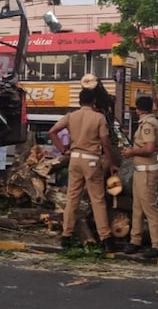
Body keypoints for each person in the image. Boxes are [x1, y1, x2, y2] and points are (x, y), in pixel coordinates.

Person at [49, 88, 119, 252]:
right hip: (91, 160)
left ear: (79, 101)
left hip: (74, 159)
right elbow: (105, 142)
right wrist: (111, 160)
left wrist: (63, 150)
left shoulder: (71, 116)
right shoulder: (98, 117)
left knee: (72, 198)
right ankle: (105, 238)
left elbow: (52, 131)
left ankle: (66, 236)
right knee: (97, 200)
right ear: (94, 101)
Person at [121, 96, 158, 259]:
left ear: (138, 109)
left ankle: (157, 244)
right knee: (137, 208)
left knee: (150, 209)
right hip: (140, 170)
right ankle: (135, 240)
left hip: (147, 171)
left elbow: (149, 148)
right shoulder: (150, 123)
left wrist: (131, 152)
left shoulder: (148, 125)